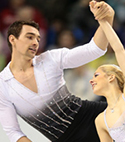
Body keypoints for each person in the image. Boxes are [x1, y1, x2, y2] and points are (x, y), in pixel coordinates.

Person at [0, 1, 114, 142]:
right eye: (30, 37)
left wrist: (106, 19)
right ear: (13, 39)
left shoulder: (51, 58)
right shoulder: (2, 84)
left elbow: (95, 49)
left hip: (95, 115)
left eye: (38, 38)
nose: (36, 42)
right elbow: (13, 132)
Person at [89, 1, 125, 142]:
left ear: (111, 77)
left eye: (96, 75)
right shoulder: (100, 121)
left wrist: (102, 21)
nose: (91, 80)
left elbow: (119, 50)